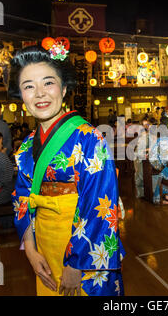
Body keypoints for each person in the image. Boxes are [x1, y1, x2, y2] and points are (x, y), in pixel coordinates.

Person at [8, 45, 124, 296]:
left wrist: (76, 264)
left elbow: (99, 205)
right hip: (44, 245)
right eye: (28, 86)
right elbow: (21, 197)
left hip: (83, 250)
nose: (39, 93)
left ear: (63, 88)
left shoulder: (89, 138)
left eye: (48, 83)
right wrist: (29, 248)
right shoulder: (27, 144)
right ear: (21, 95)